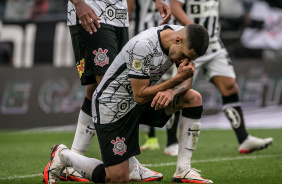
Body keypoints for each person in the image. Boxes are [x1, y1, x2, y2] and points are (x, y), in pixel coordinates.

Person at [43, 23, 212, 183]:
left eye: (188, 59)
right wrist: (175, 80)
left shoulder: (182, 36)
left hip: (139, 103)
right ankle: (63, 154)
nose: (183, 61)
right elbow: (140, 94)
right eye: (184, 56)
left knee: (193, 98)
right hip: (112, 106)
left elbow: (186, 77)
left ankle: (183, 169)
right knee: (116, 178)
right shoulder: (143, 46)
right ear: (177, 40)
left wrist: (172, 91)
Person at [57, 0, 171, 182]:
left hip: (119, 16)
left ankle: (72, 161)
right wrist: (78, 3)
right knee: (114, 89)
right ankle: (129, 162)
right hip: (92, 12)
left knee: (96, 89)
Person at [171, 0, 273, 154]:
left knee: (230, 87)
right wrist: (196, 31)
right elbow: (175, 8)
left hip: (214, 44)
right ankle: (171, 142)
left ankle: (243, 139)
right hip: (191, 44)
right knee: (178, 90)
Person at [127, 0, 180, 156]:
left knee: (169, 87)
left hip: (169, 39)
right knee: (144, 88)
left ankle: (171, 141)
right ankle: (151, 138)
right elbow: (128, 12)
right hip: (145, 39)